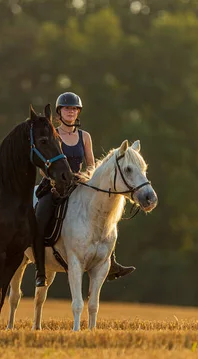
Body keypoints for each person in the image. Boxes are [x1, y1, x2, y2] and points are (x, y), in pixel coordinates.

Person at [34, 91, 136, 287]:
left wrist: (84, 178)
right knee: (40, 218)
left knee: (104, 216)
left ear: (78, 112)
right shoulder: (53, 134)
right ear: (59, 112)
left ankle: (110, 260)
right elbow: (43, 167)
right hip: (55, 186)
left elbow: (91, 165)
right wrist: (57, 179)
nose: (71, 112)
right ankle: (40, 270)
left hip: (80, 185)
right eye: (67, 108)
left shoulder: (85, 136)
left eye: (74, 109)